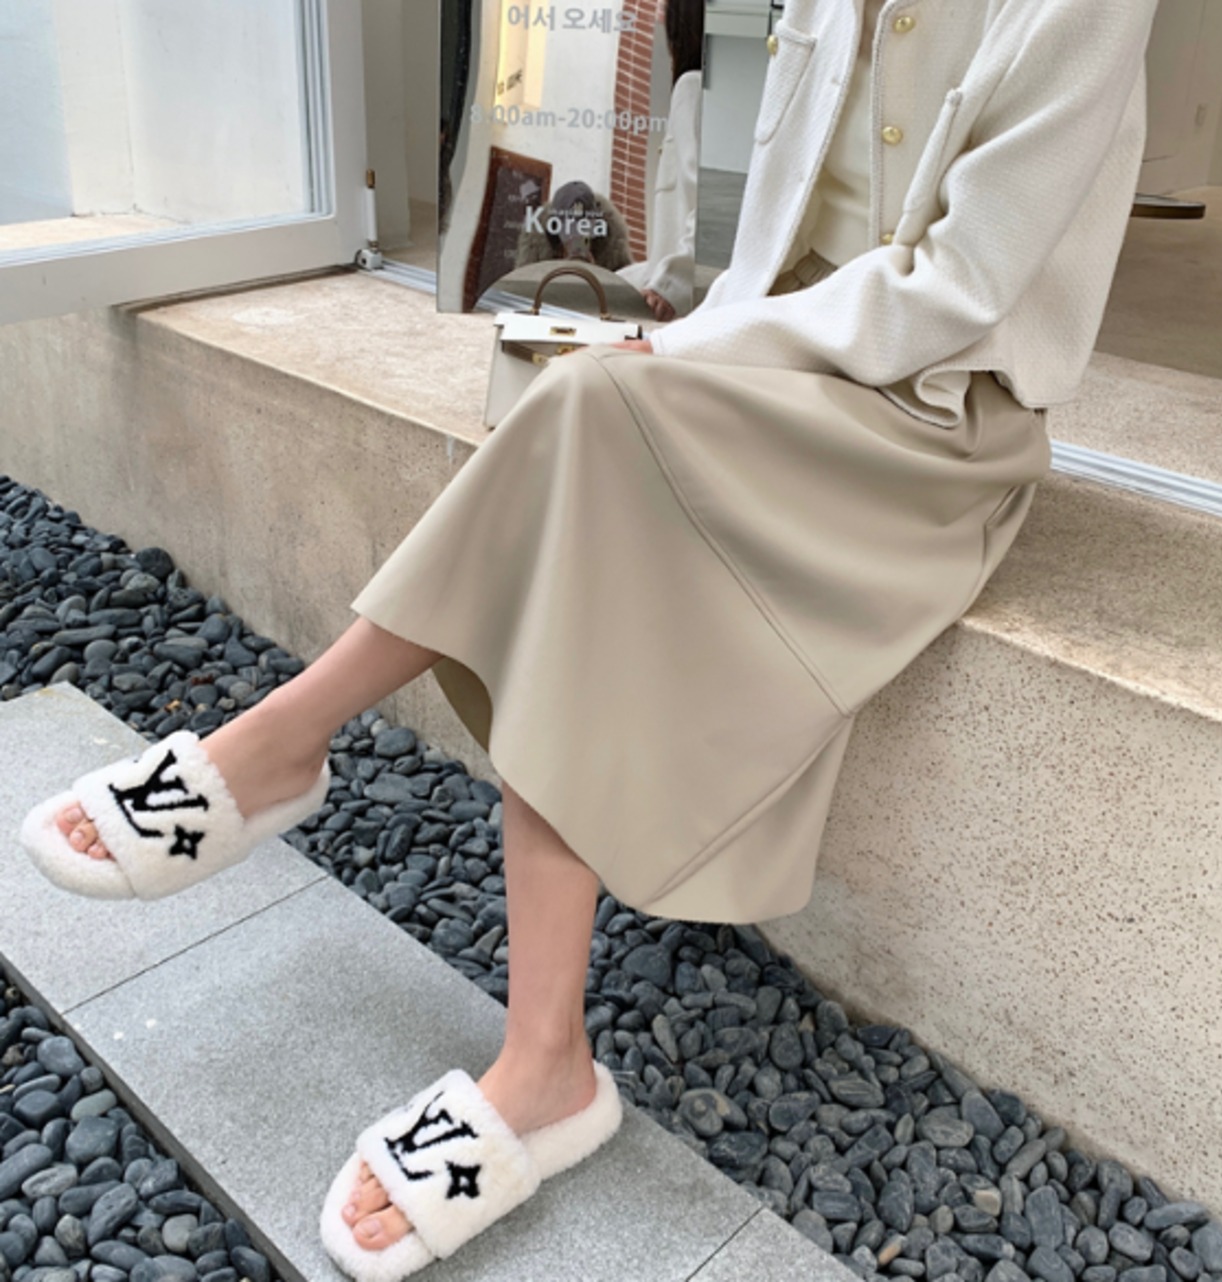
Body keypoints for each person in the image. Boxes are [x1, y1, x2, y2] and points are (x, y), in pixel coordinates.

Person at [21, 1, 1160, 1277]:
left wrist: (691, 349)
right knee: (586, 423)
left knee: (596, 415)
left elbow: (964, 289)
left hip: (930, 426)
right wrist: (688, 316)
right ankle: (534, 1050)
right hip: (770, 370)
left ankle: (293, 755)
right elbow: (778, 227)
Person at [617, 0, 704, 320]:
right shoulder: (707, 91)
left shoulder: (691, 88)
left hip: (677, 313)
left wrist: (670, 283)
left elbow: (707, 212)